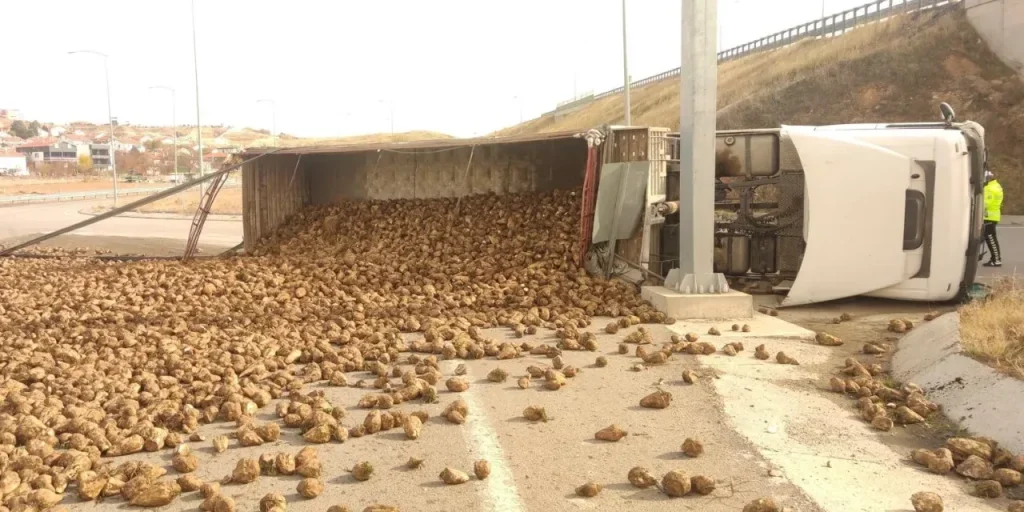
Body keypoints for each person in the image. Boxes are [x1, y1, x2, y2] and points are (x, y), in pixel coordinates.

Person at [983, 168, 1003, 267]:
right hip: (993, 215)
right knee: (991, 237)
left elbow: (985, 203)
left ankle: (996, 259)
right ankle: (995, 258)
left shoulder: (989, 189)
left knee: (991, 238)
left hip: (989, 216)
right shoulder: (996, 186)